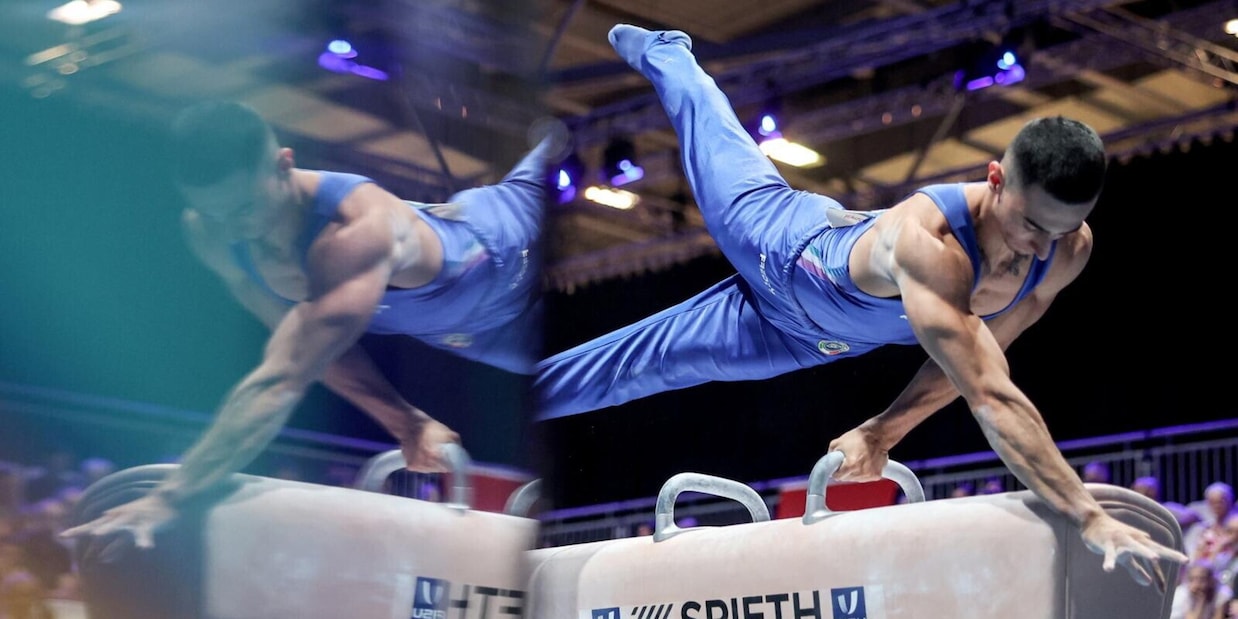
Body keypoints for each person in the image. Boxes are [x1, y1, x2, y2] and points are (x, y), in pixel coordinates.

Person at [534, 24, 1189, 589]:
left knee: (625, 376)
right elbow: (992, 396)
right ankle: (668, 52)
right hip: (783, 250)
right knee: (708, 129)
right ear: (995, 178)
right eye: (1030, 223)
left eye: (1060, 230)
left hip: (805, 340)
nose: (1039, 246)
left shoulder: (1068, 251)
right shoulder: (931, 243)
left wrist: (880, 433)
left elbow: (977, 362)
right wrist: (1087, 514)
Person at [60, 100, 563, 550]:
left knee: (541, 168)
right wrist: (406, 422)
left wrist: (173, 494)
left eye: (243, 208)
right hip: (467, 334)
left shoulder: (354, 230)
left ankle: (558, 136)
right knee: (569, 380)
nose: (231, 228)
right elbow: (310, 351)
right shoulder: (210, 233)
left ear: (285, 164)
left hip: (497, 249)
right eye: (213, 213)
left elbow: (279, 382)